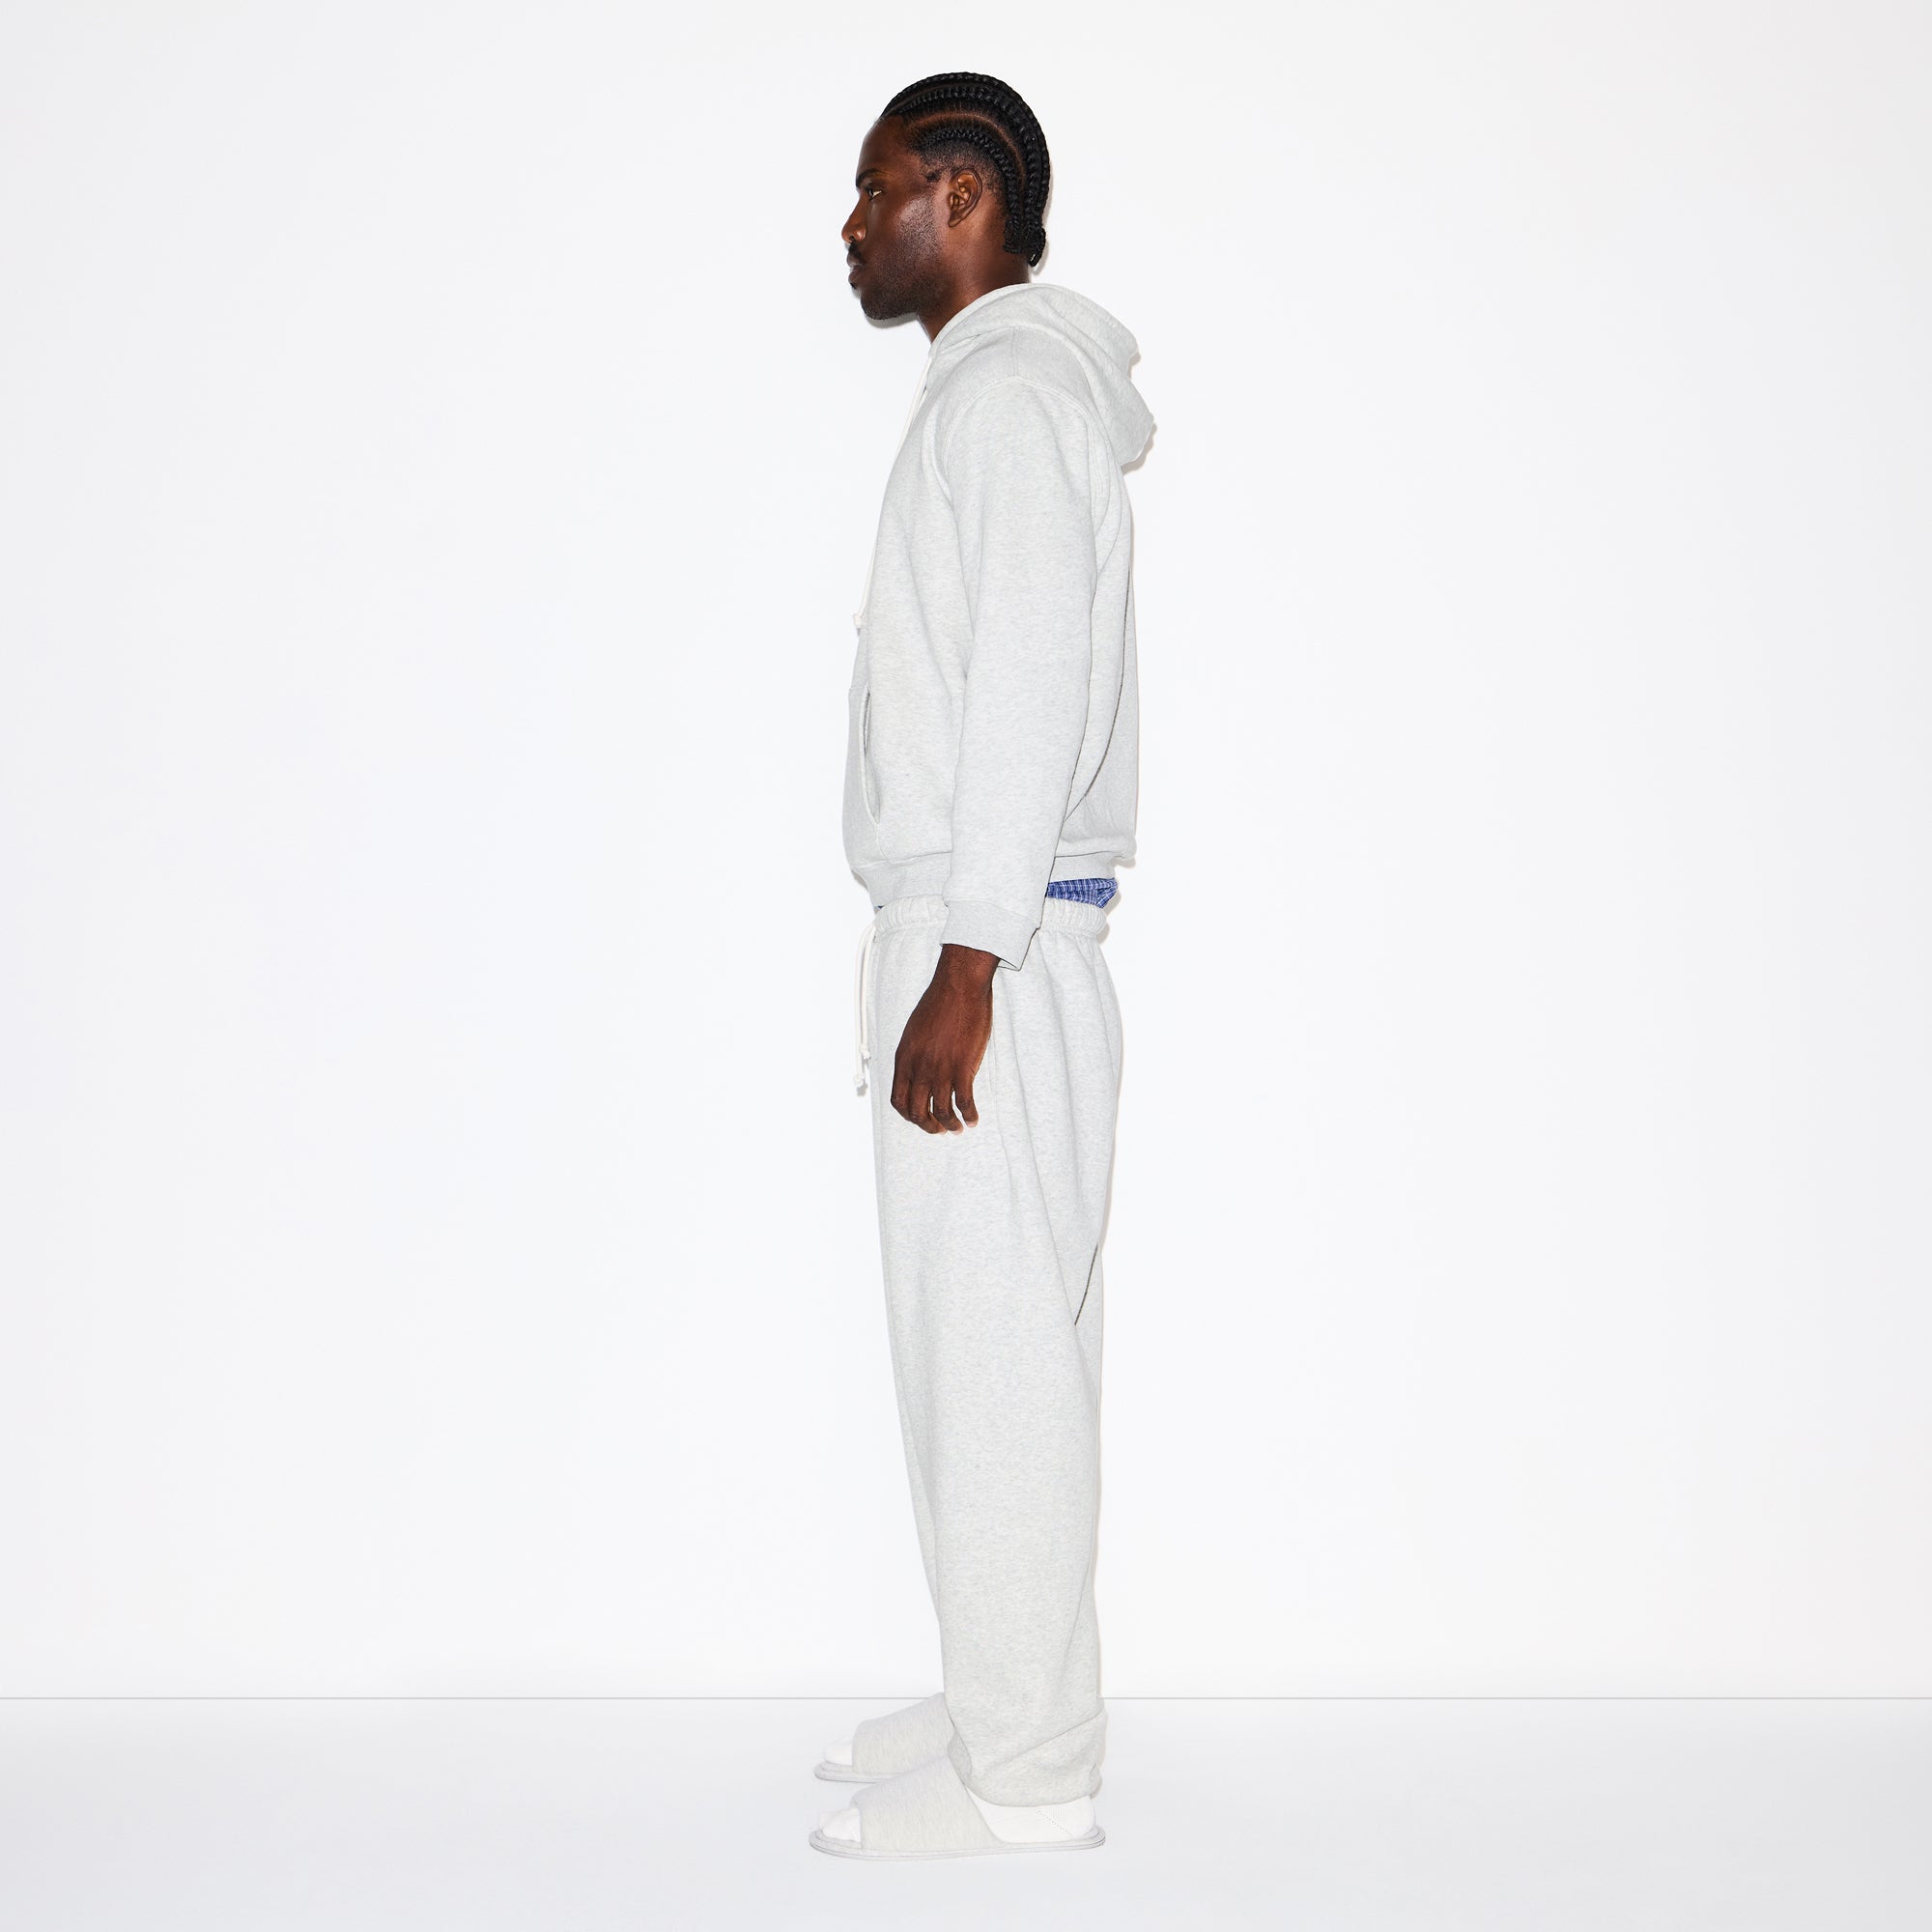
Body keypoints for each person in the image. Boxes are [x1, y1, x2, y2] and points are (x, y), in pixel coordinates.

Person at [810, 71, 1152, 1862]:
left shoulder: (1011, 399)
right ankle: (998, 1710)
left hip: (989, 947)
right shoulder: (995, 395)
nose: (853, 223)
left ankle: (1027, 1785)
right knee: (984, 1351)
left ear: (963, 195)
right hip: (991, 933)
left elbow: (1025, 684)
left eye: (877, 190)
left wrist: (968, 958)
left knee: (1000, 1363)